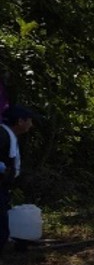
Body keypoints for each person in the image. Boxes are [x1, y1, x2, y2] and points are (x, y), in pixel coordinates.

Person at [0, 104, 35, 252]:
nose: (31, 124)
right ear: (20, 121)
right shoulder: (2, 134)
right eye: (29, 120)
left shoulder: (8, 134)